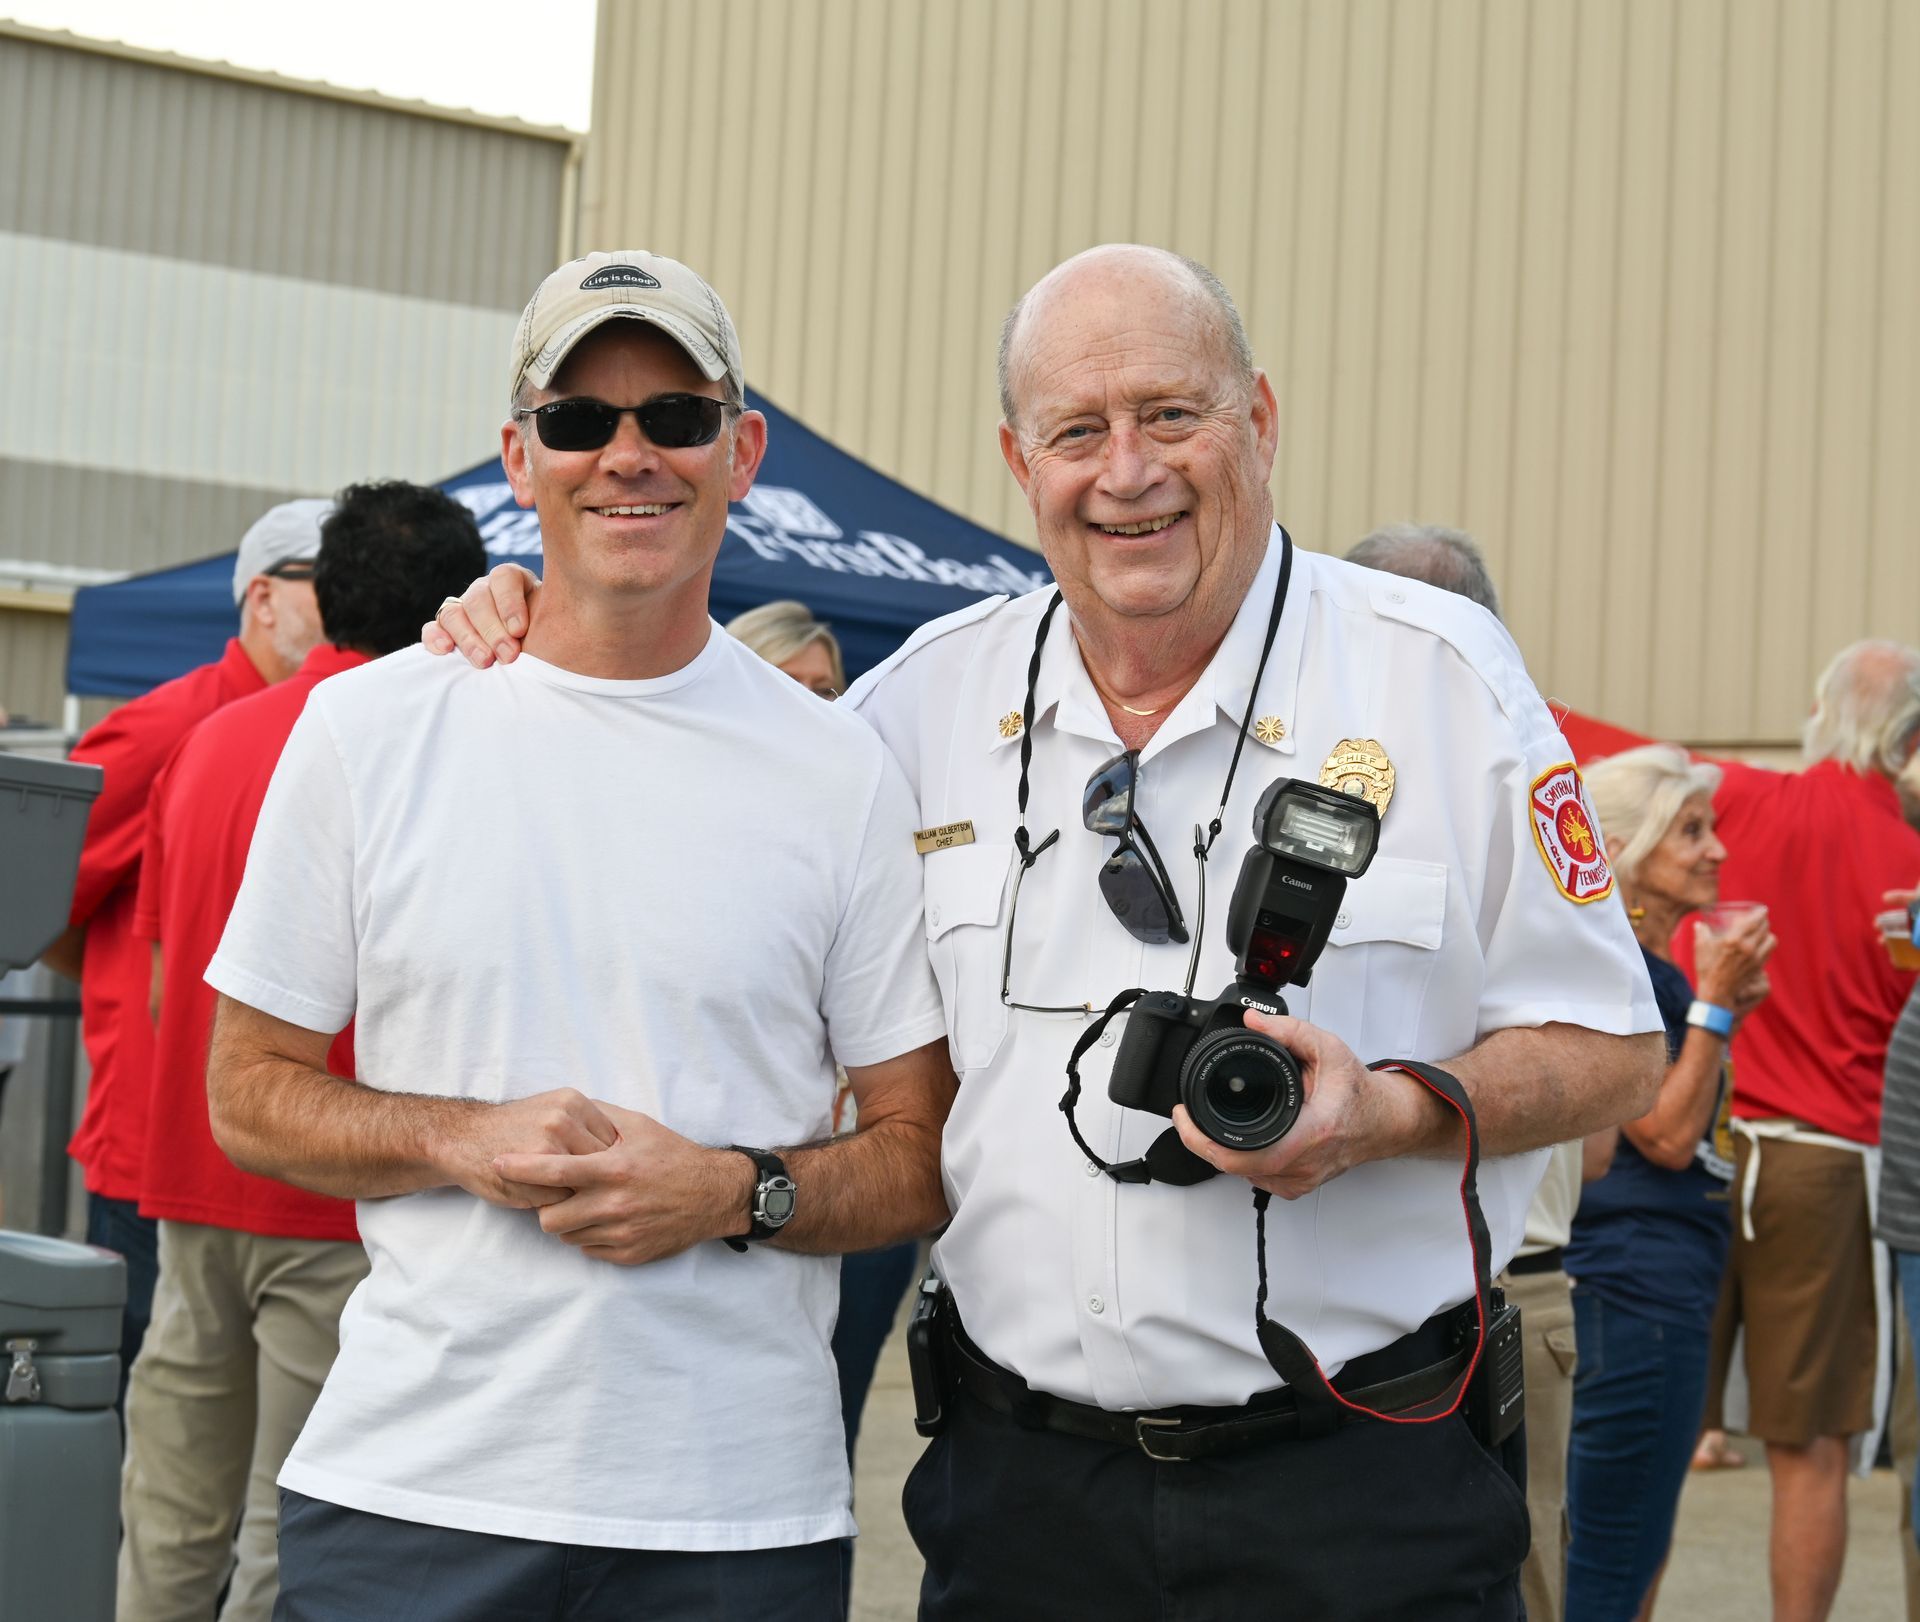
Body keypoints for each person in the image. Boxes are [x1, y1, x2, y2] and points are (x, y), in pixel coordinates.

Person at [431, 243, 1666, 1619]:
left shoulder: (1439, 678)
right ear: (1021, 462)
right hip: (1019, 1503)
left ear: (1260, 419)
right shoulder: (920, 706)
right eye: (1078, 431)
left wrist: (1391, 1109)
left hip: (1363, 1485)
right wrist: (540, 623)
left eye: (1171, 414)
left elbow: (1616, 1051)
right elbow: (694, 778)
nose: (1127, 471)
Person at [204, 251, 954, 1621]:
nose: (628, 454)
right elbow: (246, 1091)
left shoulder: (841, 769)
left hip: (730, 1510)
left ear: (742, 451)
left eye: (675, 415)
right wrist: (457, 1136)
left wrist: (729, 1190)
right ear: (520, 454)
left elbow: (921, 1153)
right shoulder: (369, 728)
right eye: (577, 418)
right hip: (412, 1493)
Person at [115, 483, 489, 1622]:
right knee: (294, 1525)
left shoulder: (211, 739)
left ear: (323, 593)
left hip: (193, 1182)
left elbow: (164, 979)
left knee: (169, 1515)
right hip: (339, 1198)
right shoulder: (435, 741)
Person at [1345, 519, 1591, 1622]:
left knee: (1509, 1574)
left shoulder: (1523, 781)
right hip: (1338, 1316)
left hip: (1492, 1288)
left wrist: (1392, 1111)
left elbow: (1605, 1060)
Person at [43, 500, 327, 1403]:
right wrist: (123, 982)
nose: (350, 600)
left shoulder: (336, 724)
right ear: (262, 599)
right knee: (143, 1425)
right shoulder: (170, 725)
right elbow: (36, 895)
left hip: (275, 1156)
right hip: (156, 1152)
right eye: (328, 582)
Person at [1690, 640, 1920, 1622]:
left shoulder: (1736, 801)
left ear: (1824, 712)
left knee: (1653, 1438)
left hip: (1711, 1146)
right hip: (1831, 1169)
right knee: (1812, 1448)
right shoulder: (1909, 856)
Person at [725, 598, 917, 1615]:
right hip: (709, 1190)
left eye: (829, 689)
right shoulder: (695, 813)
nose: (815, 706)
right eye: (787, 684)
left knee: (822, 1435)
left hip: (859, 1182)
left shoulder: (863, 811)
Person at [1562, 745, 1775, 1621]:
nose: (1717, 849)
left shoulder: (1653, 970)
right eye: (1689, 830)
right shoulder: (1624, 969)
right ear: (1624, 849)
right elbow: (1666, 1136)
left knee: (1631, 1547)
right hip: (1633, 1290)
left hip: (1655, 1285)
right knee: (1612, 1561)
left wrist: (1714, 1007)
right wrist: (1715, 1009)